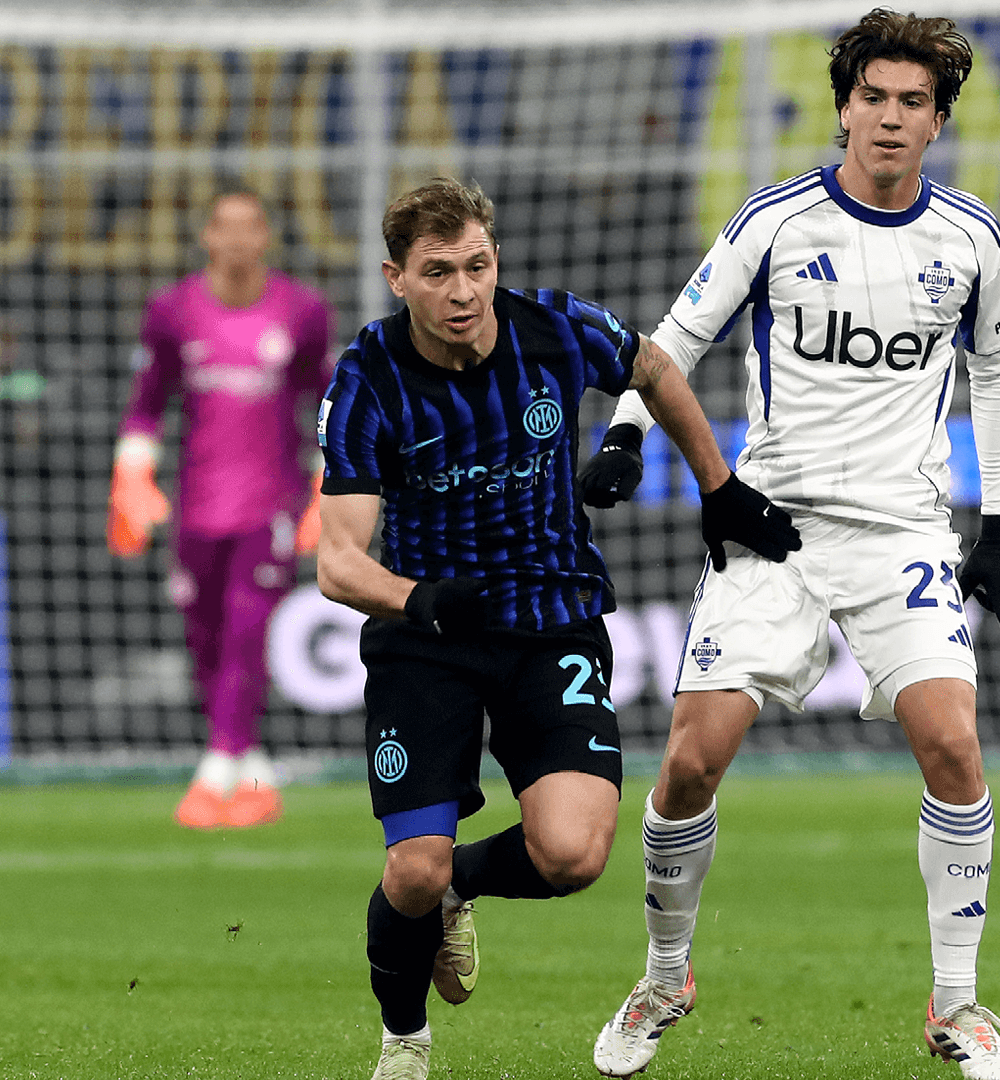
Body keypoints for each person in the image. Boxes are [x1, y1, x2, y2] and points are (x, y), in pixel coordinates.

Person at [581, 10, 1000, 1079]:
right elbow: (676, 338)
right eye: (871, 96)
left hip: (903, 531)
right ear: (843, 106)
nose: (887, 117)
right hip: (772, 526)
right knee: (692, 760)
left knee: (954, 745)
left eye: (910, 102)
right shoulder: (775, 223)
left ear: (938, 121)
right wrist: (626, 437)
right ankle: (663, 976)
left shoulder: (969, 240)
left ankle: (959, 1008)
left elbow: (998, 371)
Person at [313, 177, 798, 1080]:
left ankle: (465, 882)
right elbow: (336, 561)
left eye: (477, 266)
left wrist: (717, 485)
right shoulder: (368, 380)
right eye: (438, 272)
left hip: (553, 621)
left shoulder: (553, 329)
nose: (463, 291)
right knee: (409, 870)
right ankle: (405, 1041)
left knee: (573, 855)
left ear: (496, 258)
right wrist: (415, 598)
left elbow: (653, 366)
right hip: (429, 639)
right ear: (396, 278)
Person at [109, 190, 333, 829]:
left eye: (249, 228)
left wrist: (326, 489)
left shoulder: (302, 310)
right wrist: (132, 473)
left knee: (245, 631)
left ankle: (213, 776)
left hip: (272, 504)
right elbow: (147, 402)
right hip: (197, 505)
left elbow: (327, 406)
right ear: (207, 237)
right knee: (204, 638)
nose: (236, 241)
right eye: (224, 228)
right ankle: (254, 773)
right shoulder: (173, 309)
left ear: (266, 237)